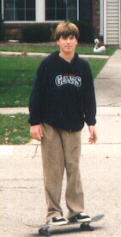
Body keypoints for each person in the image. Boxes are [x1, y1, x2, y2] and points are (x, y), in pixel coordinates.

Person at [28, 21, 97, 224]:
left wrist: (91, 122)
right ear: (58, 41)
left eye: (71, 38)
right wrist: (35, 122)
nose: (68, 42)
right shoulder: (48, 65)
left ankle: (76, 211)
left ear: (76, 41)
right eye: (64, 38)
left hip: (74, 124)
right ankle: (53, 213)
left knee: (73, 167)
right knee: (53, 169)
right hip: (50, 124)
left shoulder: (82, 67)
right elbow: (37, 94)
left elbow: (88, 96)